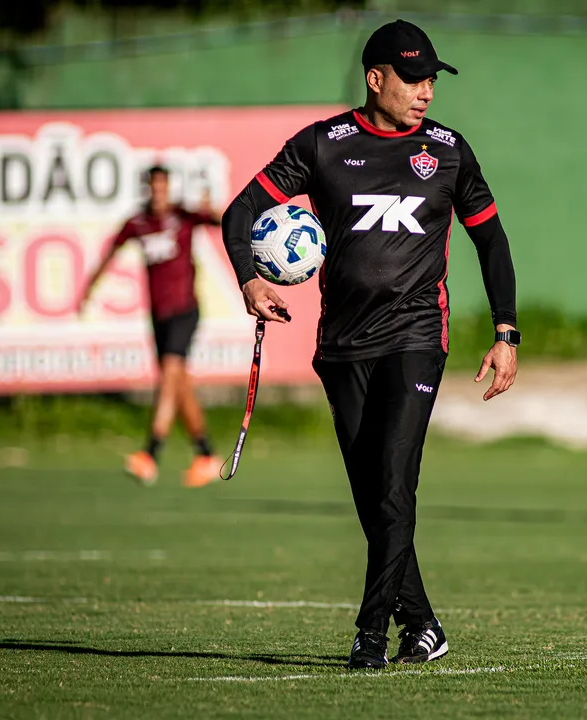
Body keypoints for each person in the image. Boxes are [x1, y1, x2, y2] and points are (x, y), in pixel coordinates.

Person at [221, 19, 520, 669]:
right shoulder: (324, 145)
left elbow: (491, 240)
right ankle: (425, 625)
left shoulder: (448, 151)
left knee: (393, 485)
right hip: (340, 345)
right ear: (375, 78)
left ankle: (369, 634)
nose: (425, 91)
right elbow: (240, 212)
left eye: (432, 79)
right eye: (413, 78)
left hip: (417, 336)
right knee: (373, 496)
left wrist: (506, 332)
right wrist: (249, 278)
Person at [79, 165, 222, 489]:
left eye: (163, 187)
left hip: (185, 310)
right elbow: (110, 252)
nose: (158, 193)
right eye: (153, 187)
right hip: (158, 315)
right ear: (148, 189)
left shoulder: (183, 215)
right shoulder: (138, 223)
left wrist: (210, 204)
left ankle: (151, 453)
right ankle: (206, 455)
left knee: (170, 374)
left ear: (168, 188)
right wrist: (90, 287)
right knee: (179, 383)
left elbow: (218, 220)